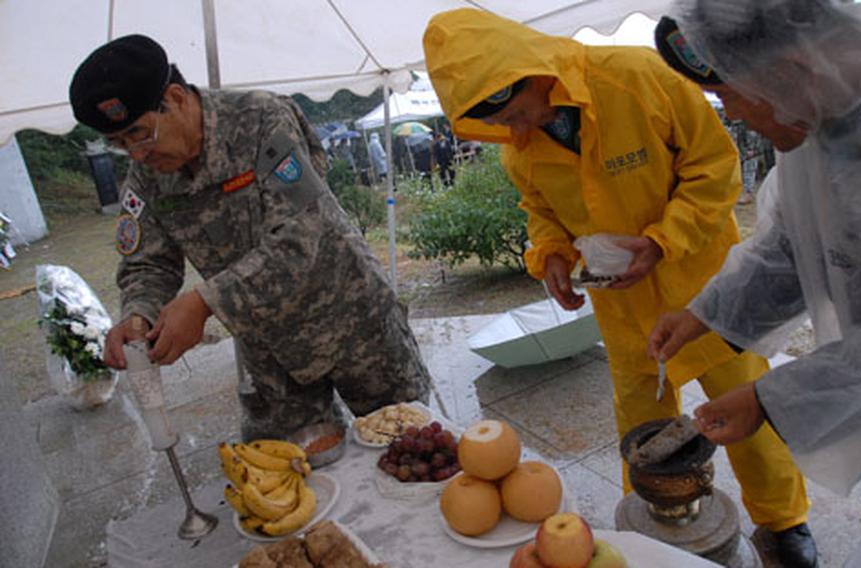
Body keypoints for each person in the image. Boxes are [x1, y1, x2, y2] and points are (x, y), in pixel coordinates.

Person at [423, 9, 816, 566]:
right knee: (640, 422)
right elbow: (540, 211)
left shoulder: (636, 77)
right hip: (623, 307)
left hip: (706, 293)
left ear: (531, 73)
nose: (515, 132)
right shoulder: (524, 146)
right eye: (505, 124)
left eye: (516, 113)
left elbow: (715, 167)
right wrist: (552, 255)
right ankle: (646, 521)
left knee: (745, 411)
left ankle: (784, 523)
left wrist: (660, 241)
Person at [649, 2, 861, 565]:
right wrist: (704, 312)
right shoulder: (826, 120)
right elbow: (795, 240)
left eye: (733, 94)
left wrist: (772, 398)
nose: (734, 114)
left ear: (793, 69)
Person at [69, 35, 431, 440]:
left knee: (411, 447)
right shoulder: (147, 173)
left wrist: (205, 301)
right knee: (289, 470)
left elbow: (301, 235)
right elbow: (147, 262)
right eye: (119, 145)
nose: (136, 154)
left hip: (351, 321)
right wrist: (139, 314)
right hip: (269, 351)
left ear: (176, 97)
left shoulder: (261, 119)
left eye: (140, 134)